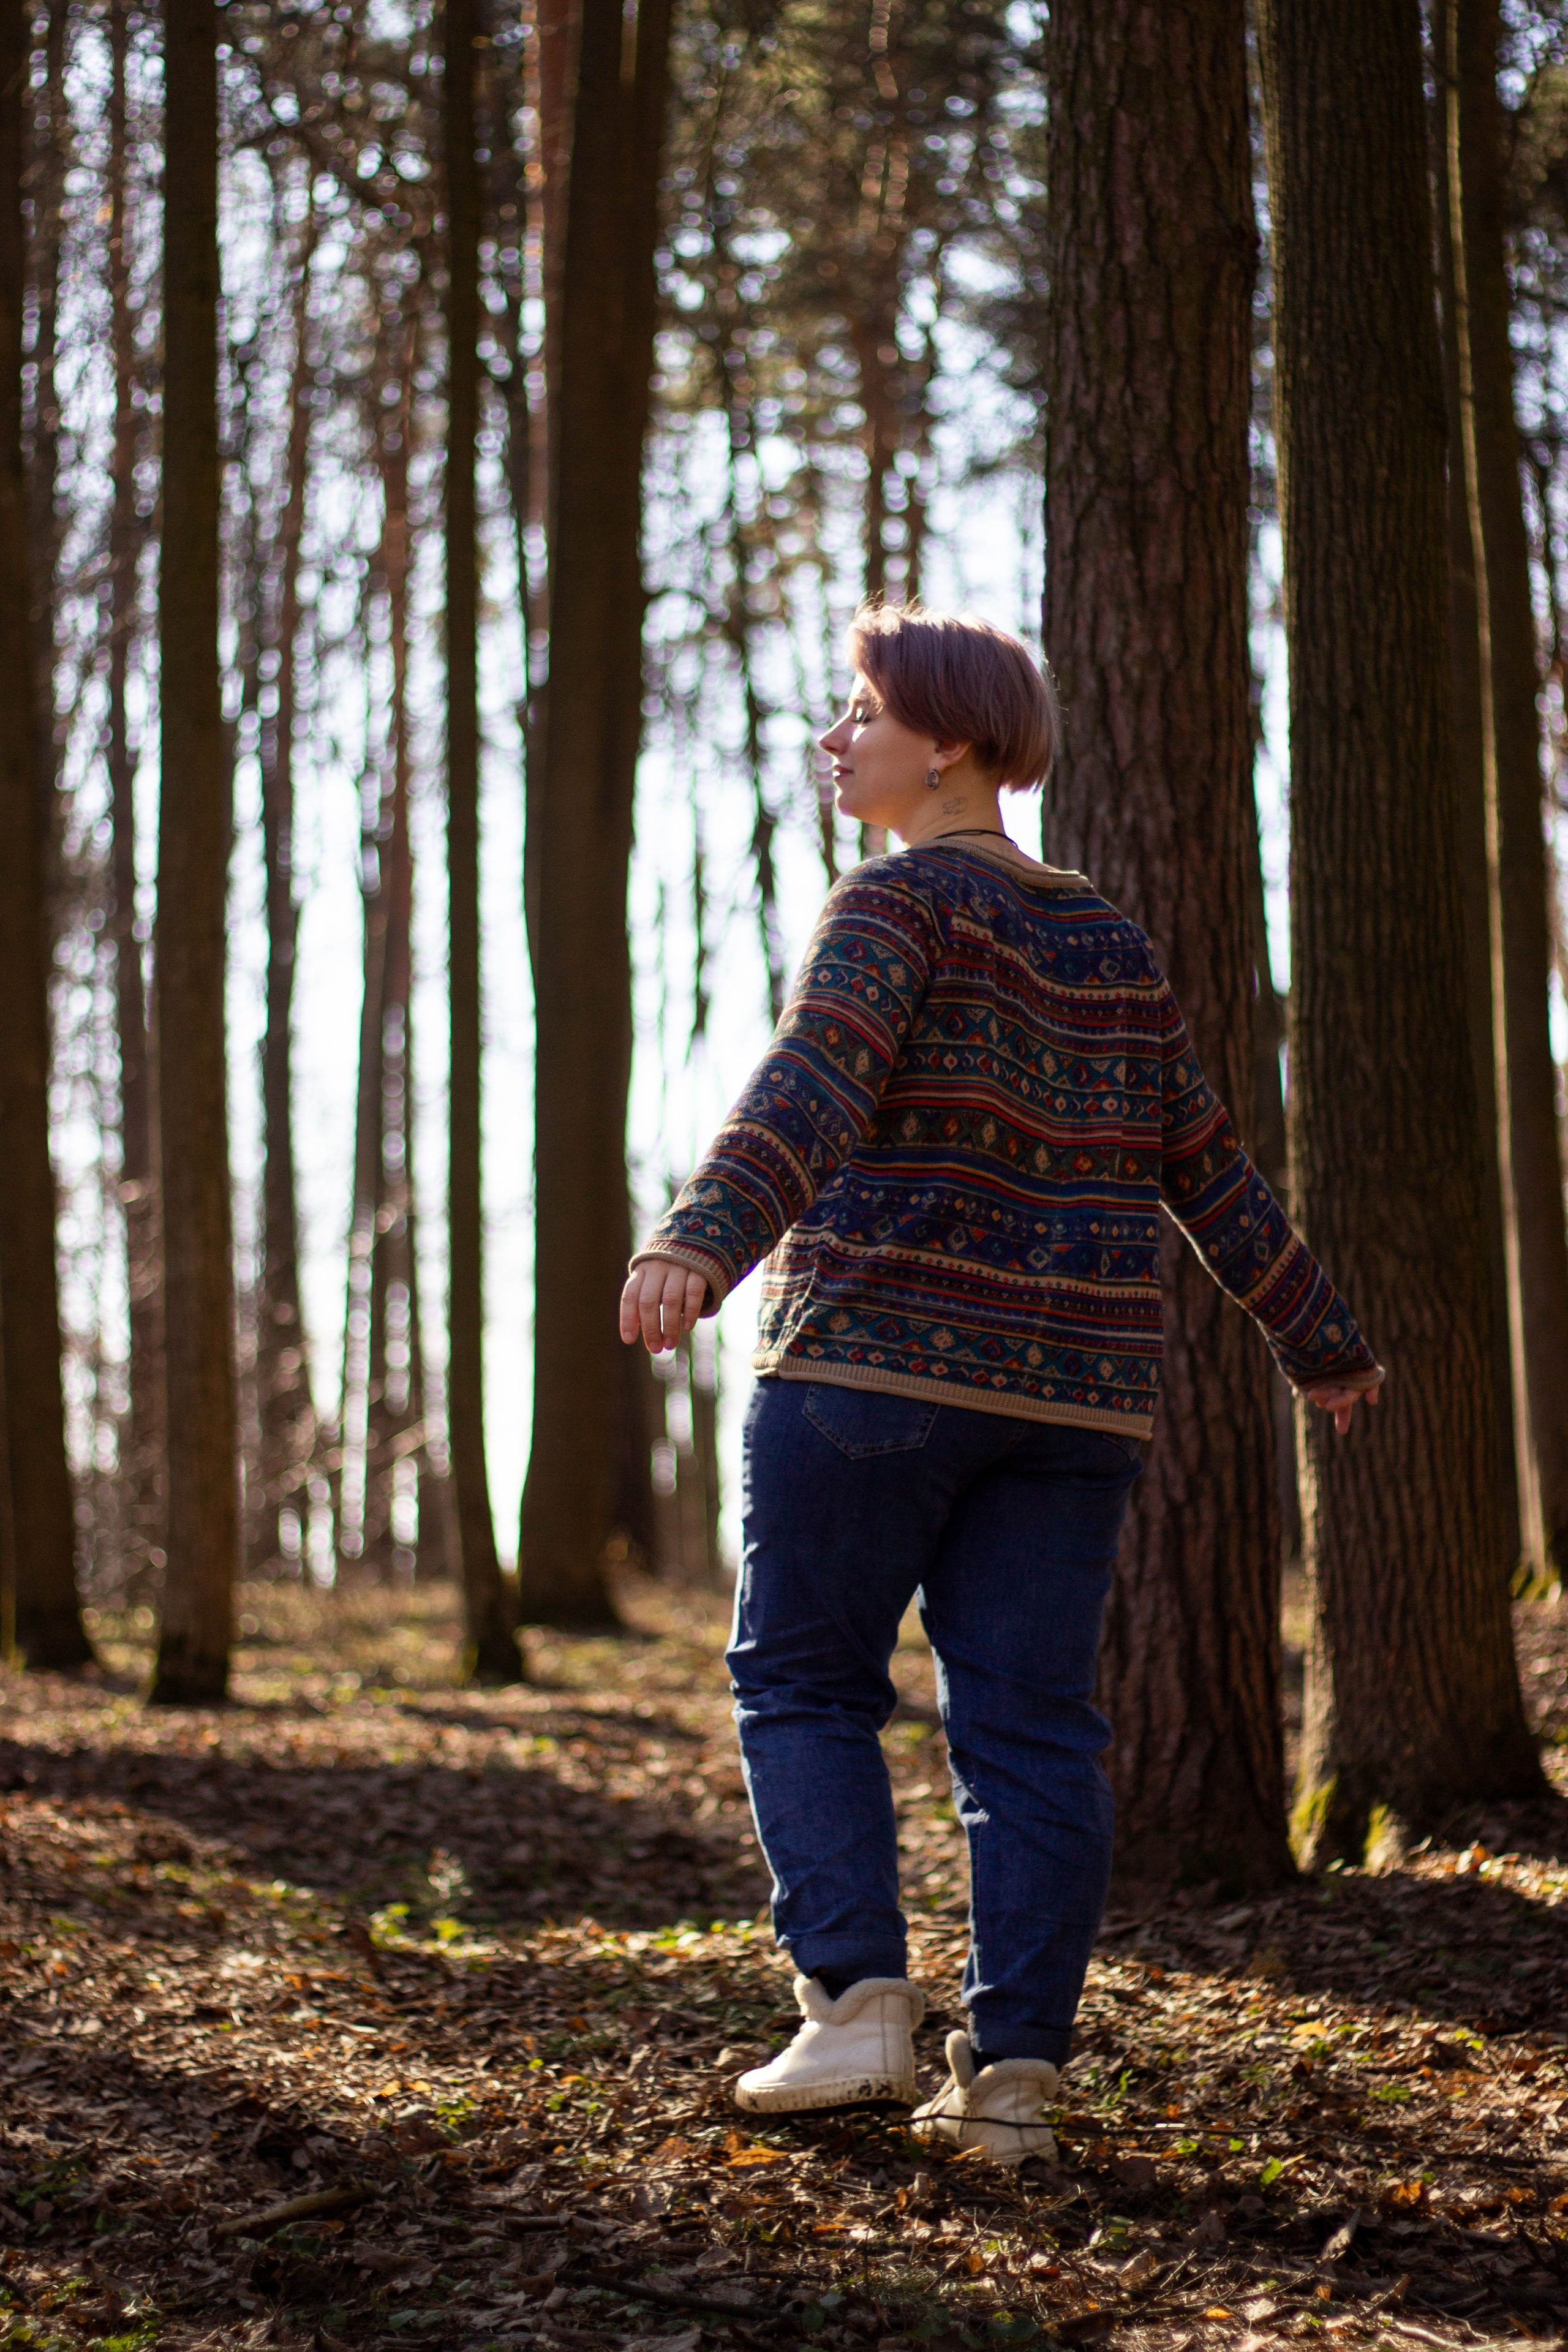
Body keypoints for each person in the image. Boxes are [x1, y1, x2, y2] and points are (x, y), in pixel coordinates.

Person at [619, 605, 1381, 2165]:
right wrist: (1321, 1339)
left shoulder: (893, 907)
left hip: (871, 1365)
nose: (836, 738)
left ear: (947, 740)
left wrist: (700, 1240)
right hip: (1071, 1404)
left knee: (805, 1681)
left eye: (859, 712)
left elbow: (813, 1084)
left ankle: (853, 2013)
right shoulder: (1105, 939)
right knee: (1031, 1733)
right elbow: (1206, 1167)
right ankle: (1013, 2082)